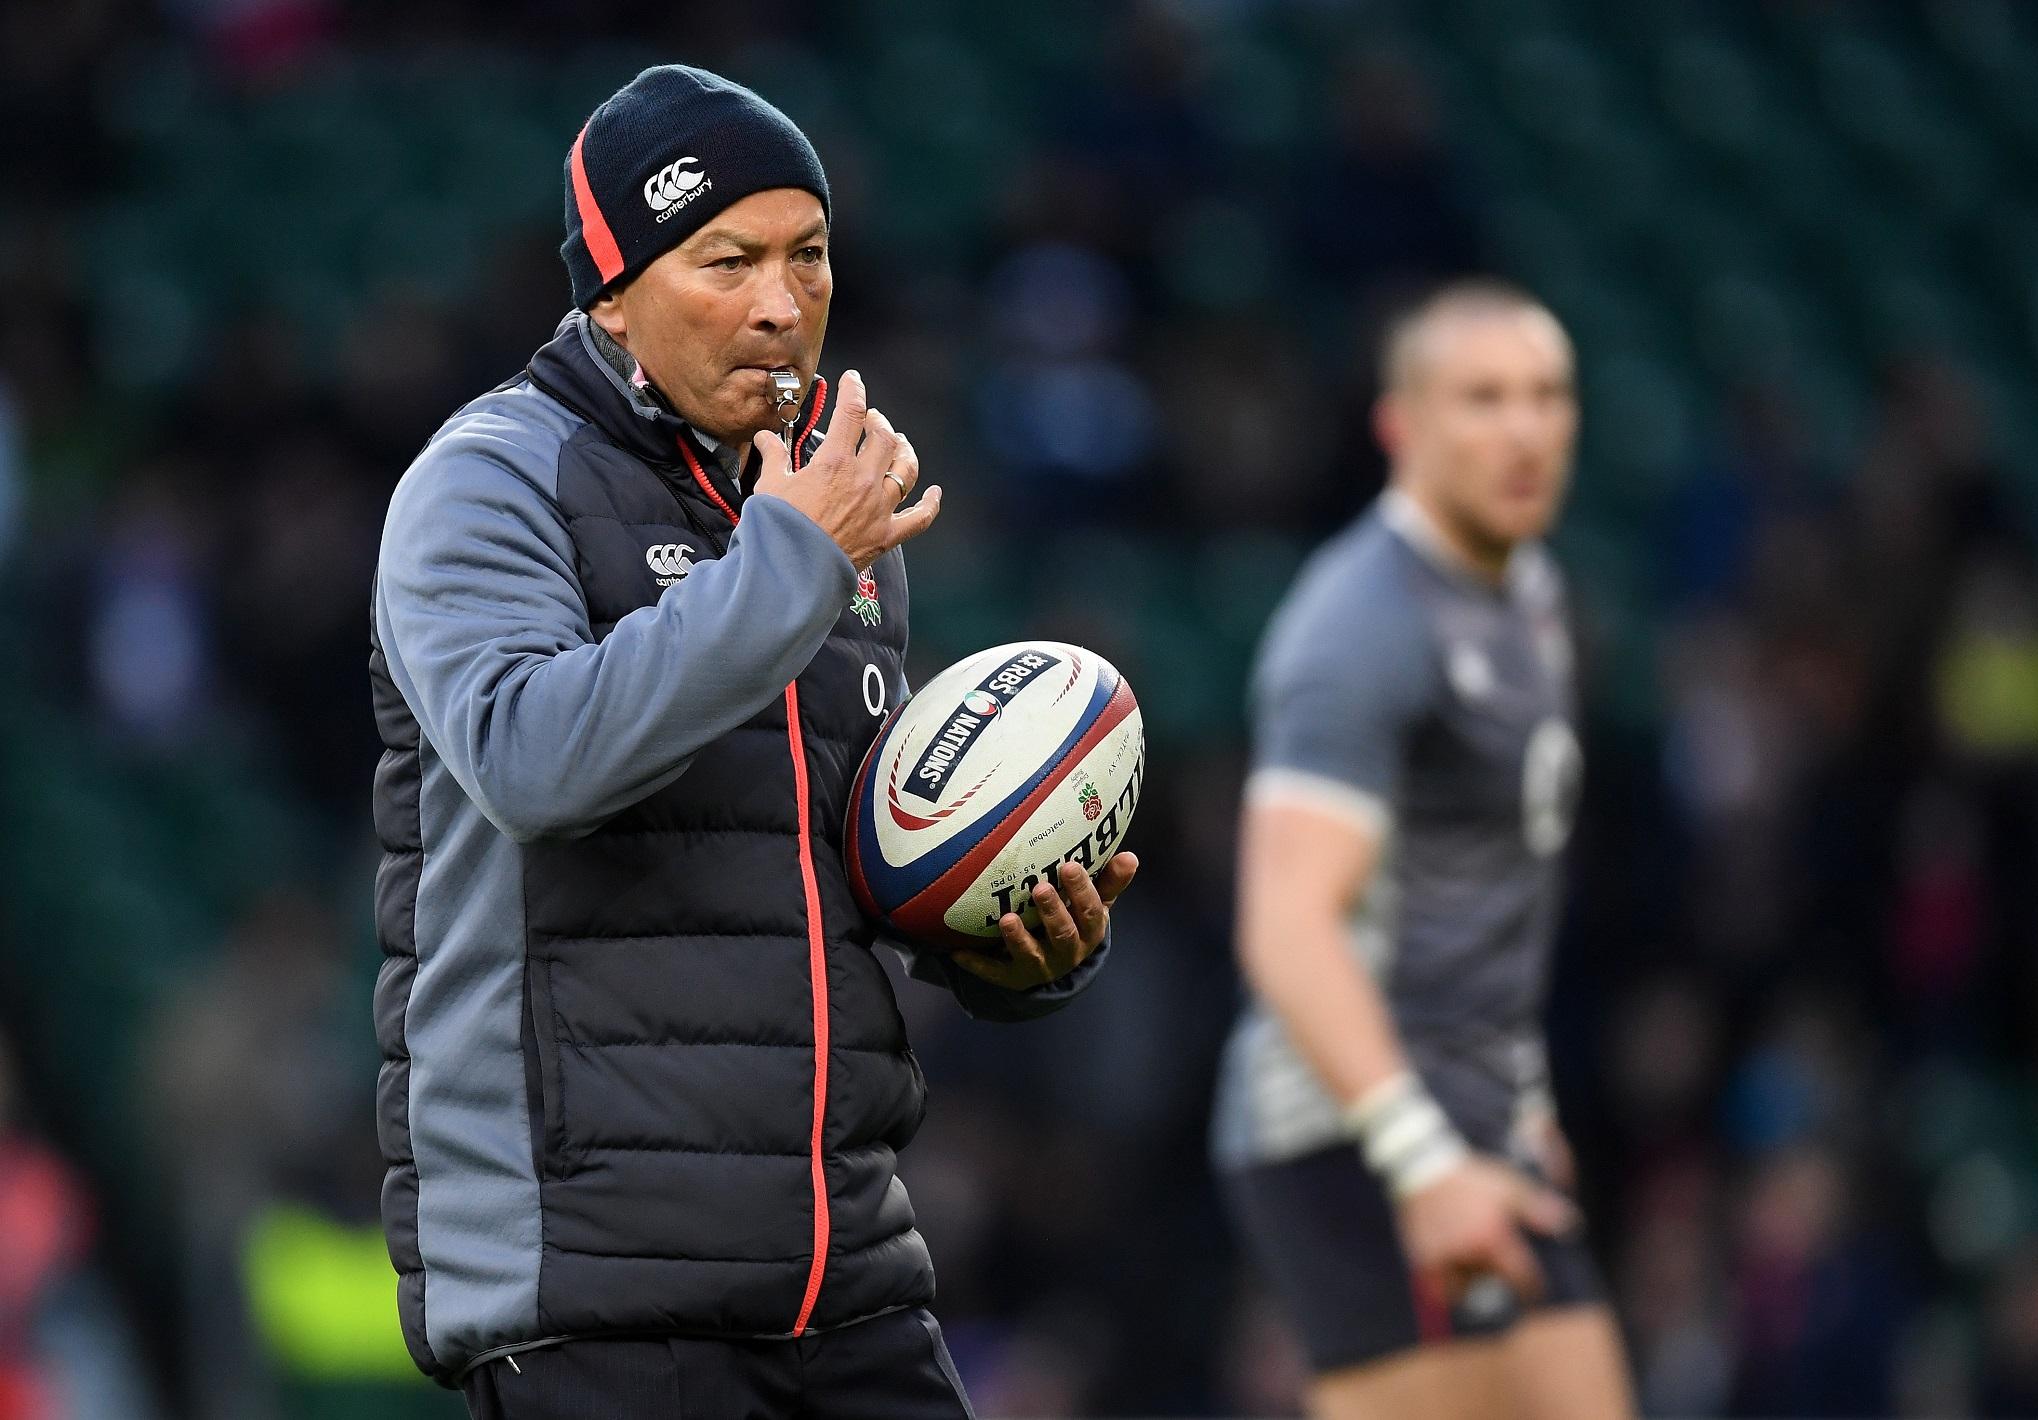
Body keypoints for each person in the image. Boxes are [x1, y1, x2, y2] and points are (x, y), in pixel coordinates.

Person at [368, 64, 1137, 1419]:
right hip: (601, 1298)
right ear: (609, 288)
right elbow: (532, 762)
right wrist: (790, 562)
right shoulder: (487, 479)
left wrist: (1008, 942)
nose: (782, 305)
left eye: (809, 255)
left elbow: (841, 878)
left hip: (846, 1276)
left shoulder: (828, 526)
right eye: (725, 261)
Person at [1211, 279, 1634, 1420]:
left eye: (1547, 396)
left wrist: (1517, 1096)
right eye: (1482, 399)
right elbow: (1285, 923)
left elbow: (1480, 891)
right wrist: (1421, 1159)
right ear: (1400, 425)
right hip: (1358, 1137)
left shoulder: (1530, 591)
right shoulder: (1359, 625)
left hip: (1473, 1118)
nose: (1524, 429)